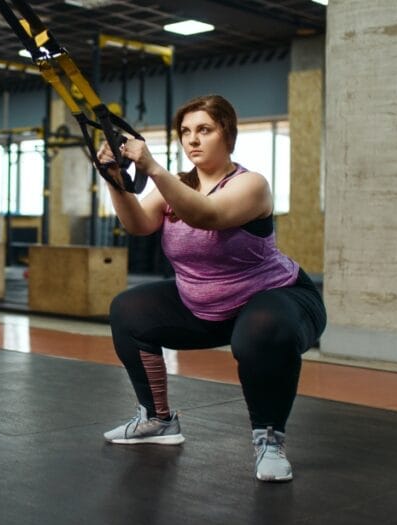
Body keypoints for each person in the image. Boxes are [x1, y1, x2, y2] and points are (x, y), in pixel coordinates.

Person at [97, 94, 326, 482]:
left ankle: (269, 441)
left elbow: (207, 215)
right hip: (204, 306)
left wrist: (152, 168)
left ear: (228, 134)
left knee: (259, 331)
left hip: (277, 299)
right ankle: (157, 420)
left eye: (204, 129)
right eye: (185, 131)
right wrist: (115, 179)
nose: (193, 139)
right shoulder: (175, 185)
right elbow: (137, 224)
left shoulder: (251, 184)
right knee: (127, 310)